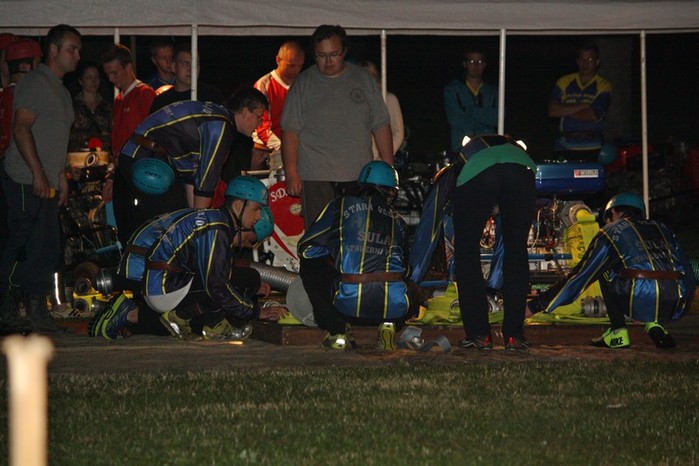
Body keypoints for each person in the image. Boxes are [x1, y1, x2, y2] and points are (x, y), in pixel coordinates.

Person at [88, 176, 288, 340]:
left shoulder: (214, 220)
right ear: (238, 205)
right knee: (231, 283)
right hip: (156, 282)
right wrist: (254, 312)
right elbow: (216, 285)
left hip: (156, 278)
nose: (258, 216)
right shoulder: (217, 227)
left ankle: (151, 316)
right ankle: (142, 314)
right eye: (256, 209)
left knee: (226, 284)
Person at [527, 192, 696, 349]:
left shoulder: (610, 232)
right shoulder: (663, 228)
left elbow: (579, 277)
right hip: (676, 301)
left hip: (637, 297)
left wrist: (534, 306)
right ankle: (654, 323)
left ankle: (618, 332)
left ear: (613, 212)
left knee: (605, 269)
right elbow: (687, 268)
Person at [0, 24, 81, 335]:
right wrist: (36, 173)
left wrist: (60, 176)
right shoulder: (35, 82)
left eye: (78, 50)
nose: (77, 55)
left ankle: (37, 308)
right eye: (71, 49)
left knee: (45, 246)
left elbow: (55, 138)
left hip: (47, 180)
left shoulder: (61, 91)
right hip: (25, 177)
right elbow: (21, 128)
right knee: (20, 242)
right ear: (54, 50)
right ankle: (6, 303)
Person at [115, 87, 268, 245]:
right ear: (245, 111)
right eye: (259, 117)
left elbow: (191, 175)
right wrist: (199, 229)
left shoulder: (217, 117)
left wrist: (193, 217)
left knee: (181, 219)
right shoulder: (220, 125)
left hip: (140, 156)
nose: (260, 123)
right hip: (143, 158)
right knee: (171, 229)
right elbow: (206, 183)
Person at [297, 161, 419, 350]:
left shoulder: (340, 206)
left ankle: (337, 332)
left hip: (348, 306)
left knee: (309, 265)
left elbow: (306, 248)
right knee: (404, 283)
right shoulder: (399, 220)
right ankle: (389, 325)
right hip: (396, 308)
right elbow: (408, 268)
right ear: (390, 192)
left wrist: (335, 257)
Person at [281, 24, 393, 227]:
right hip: (316, 177)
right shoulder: (303, 84)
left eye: (333, 54)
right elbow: (290, 132)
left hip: (359, 175)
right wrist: (291, 172)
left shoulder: (363, 79)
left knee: (357, 233)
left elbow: (381, 124)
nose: (328, 61)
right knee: (319, 236)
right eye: (321, 55)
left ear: (345, 51)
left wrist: (388, 168)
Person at [452, 135, 537, 350]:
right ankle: (514, 336)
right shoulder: (512, 147)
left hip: (479, 171)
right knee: (516, 250)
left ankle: (479, 335)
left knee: (467, 251)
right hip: (522, 168)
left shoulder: (463, 160)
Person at [548, 40, 612, 161]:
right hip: (564, 145)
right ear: (577, 61)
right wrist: (585, 105)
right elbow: (552, 111)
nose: (585, 63)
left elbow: (594, 115)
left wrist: (564, 110)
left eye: (590, 59)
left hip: (592, 146)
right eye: (582, 59)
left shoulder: (603, 85)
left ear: (597, 62)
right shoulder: (564, 82)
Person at [251, 40, 305, 170]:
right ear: (278, 60)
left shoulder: (304, 85)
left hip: (297, 151)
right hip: (265, 151)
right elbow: (260, 127)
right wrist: (285, 147)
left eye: (300, 66)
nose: (296, 70)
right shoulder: (263, 85)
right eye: (291, 66)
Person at [101, 43, 156, 158]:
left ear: (128, 67)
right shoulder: (119, 99)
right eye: (108, 74)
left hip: (137, 161)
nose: (110, 79)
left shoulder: (144, 93)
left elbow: (152, 134)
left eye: (114, 73)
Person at [443, 47, 498, 155]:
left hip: (488, 146)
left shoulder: (494, 91)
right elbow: (455, 120)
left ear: (484, 65)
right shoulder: (452, 89)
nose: (476, 65)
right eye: (472, 61)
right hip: (461, 147)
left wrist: (470, 110)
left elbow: (497, 118)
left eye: (480, 61)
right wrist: (484, 117)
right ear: (465, 64)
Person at [149, 43, 225, 113]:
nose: (191, 69)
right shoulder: (162, 102)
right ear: (173, 67)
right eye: (185, 63)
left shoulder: (212, 96)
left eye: (195, 63)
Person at [359, 60, 405, 159]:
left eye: (370, 76)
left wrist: (384, 154)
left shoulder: (389, 99)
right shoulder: (356, 103)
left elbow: (399, 132)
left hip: (380, 159)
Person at [68, 61, 112, 152]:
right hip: (78, 156)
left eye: (97, 77)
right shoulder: (72, 105)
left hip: (103, 155)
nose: (93, 81)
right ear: (81, 81)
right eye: (89, 77)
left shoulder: (106, 106)